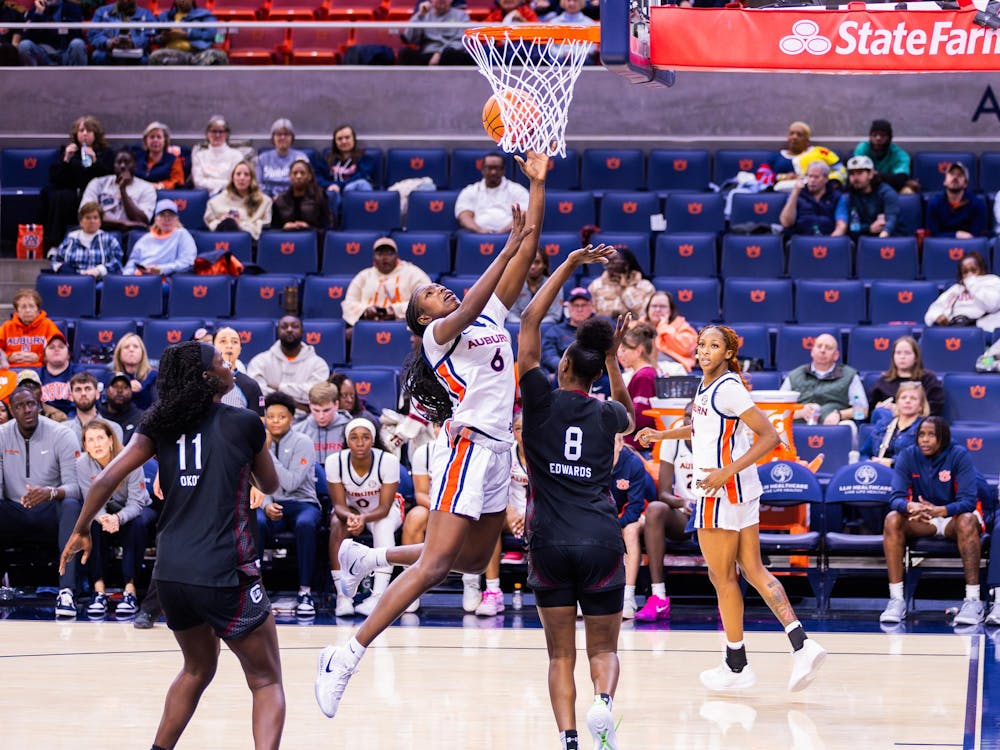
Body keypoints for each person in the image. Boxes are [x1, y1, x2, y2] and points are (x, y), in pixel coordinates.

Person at [314, 150, 546, 719]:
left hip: (497, 454)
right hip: (466, 449)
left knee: (470, 562)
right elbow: (470, 301)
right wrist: (506, 245)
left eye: (440, 287)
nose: (440, 290)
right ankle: (345, 653)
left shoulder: (489, 314)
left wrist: (538, 183)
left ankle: (371, 559)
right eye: (429, 294)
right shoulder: (441, 335)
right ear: (421, 319)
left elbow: (531, 243)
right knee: (436, 566)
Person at [59, 341, 284, 750]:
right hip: (224, 570)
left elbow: (102, 480)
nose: (228, 363)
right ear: (207, 378)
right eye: (220, 361)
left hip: (170, 577)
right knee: (266, 680)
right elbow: (270, 485)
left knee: (197, 669)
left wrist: (79, 529)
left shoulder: (157, 423)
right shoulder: (245, 422)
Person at [638, 325, 827, 692]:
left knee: (722, 577)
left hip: (720, 490)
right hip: (739, 491)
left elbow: (770, 436)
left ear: (728, 352)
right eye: (702, 344)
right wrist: (663, 436)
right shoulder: (709, 385)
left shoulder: (728, 386)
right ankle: (801, 645)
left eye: (714, 346)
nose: (705, 350)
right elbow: (702, 430)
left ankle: (737, 664)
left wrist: (725, 472)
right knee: (753, 570)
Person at [517, 241, 634, 750]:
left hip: (549, 541)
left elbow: (528, 326)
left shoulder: (540, 400)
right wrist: (613, 361)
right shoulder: (606, 414)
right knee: (603, 650)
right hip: (601, 538)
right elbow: (628, 412)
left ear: (563, 365)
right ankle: (603, 705)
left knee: (559, 656)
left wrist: (566, 264)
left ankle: (568, 740)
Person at [878, 417, 990, 627]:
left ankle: (973, 601)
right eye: (921, 435)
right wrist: (911, 507)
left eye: (931, 435)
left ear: (943, 437)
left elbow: (968, 501)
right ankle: (896, 600)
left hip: (952, 517)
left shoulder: (959, 455)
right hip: (924, 518)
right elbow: (895, 498)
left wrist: (942, 510)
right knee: (892, 519)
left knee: (967, 521)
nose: (925, 440)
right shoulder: (907, 455)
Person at [0, 387, 81, 617]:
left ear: (39, 405)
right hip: (15, 510)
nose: (27, 410)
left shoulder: (62, 434)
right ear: (12, 411)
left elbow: (76, 488)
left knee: (72, 506)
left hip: (50, 510)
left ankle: (66, 591)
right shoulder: (2, 435)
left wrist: (51, 493)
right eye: (20, 406)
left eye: (31, 404)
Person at [252, 391, 323, 617]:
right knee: (257, 520)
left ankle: (305, 591)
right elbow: (254, 482)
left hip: (302, 503)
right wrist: (266, 504)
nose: (274, 421)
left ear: (291, 419)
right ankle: (255, 590)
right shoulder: (256, 442)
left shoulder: (304, 442)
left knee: (305, 524)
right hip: (271, 503)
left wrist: (265, 452)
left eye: (280, 417)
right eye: (270, 417)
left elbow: (291, 482)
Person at [325, 417, 404, 617]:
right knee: (336, 522)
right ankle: (343, 597)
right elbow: (339, 505)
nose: (360, 443)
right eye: (354, 438)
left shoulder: (388, 460)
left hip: (384, 511)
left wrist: (362, 519)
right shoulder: (335, 461)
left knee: (383, 526)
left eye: (365, 437)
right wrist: (352, 518)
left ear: (373, 439)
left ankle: (378, 596)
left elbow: (385, 507)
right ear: (347, 440)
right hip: (351, 511)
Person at [77, 420, 153, 617]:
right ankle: (99, 590)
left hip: (135, 508)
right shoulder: (82, 464)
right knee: (90, 524)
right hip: (103, 512)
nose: (97, 444)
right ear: (85, 446)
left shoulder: (129, 459)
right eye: (90, 440)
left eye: (101, 438)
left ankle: (130, 590)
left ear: (111, 440)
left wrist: (118, 518)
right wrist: (104, 518)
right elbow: (90, 502)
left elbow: (137, 503)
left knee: (137, 523)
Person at [636, 400, 697, 623]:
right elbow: (663, 494)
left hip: (713, 513)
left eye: (695, 415)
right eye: (687, 416)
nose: (690, 421)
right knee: (655, 509)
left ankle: (726, 598)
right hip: (685, 515)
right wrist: (683, 504)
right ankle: (658, 596)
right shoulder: (674, 441)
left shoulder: (717, 440)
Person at [468, 409, 530, 617]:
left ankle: (561, 592)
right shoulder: (504, 452)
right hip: (508, 513)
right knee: (489, 523)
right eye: (518, 429)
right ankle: (493, 591)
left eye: (526, 429)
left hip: (538, 512)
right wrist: (509, 510)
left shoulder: (544, 452)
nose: (522, 434)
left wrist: (530, 513)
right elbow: (492, 489)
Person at [43, 115, 114, 248]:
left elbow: (108, 179)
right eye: (81, 131)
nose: (85, 134)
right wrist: (66, 159)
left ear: (96, 134)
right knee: (58, 197)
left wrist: (95, 162)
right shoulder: (68, 151)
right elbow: (55, 178)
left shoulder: (106, 153)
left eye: (89, 131)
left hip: (95, 195)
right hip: (72, 193)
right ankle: (54, 245)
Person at [341, 236, 432, 327]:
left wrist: (394, 310)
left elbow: (425, 301)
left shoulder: (413, 273)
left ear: (396, 255)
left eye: (389, 253)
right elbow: (348, 304)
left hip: (404, 325)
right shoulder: (364, 276)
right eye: (380, 254)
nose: (384, 258)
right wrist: (365, 311)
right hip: (369, 324)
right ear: (374, 257)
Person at [247, 315, 330, 415]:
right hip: (269, 419)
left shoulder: (319, 364)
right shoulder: (260, 361)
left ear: (302, 331)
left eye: (294, 326)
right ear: (277, 331)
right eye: (284, 326)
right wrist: (296, 404)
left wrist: (278, 387)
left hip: (306, 420)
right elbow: (258, 393)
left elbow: (315, 394)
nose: (289, 330)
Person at [780, 333, 868, 426]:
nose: (822, 350)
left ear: (836, 355)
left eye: (828, 348)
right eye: (819, 346)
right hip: (799, 425)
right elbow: (778, 408)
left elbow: (863, 412)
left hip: (834, 426)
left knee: (849, 425)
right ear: (812, 351)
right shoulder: (794, 375)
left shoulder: (850, 376)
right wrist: (798, 412)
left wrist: (840, 415)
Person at [611, 435, 654, 620]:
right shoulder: (593, 460)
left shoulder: (633, 463)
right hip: (612, 515)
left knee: (629, 530)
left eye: (611, 440)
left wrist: (613, 525)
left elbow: (636, 508)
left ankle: (628, 597)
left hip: (643, 512)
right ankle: (588, 594)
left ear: (621, 443)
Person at [540, 287, 610, 397]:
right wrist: (568, 367)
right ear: (567, 307)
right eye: (575, 305)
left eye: (584, 305)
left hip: (597, 375)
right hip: (567, 375)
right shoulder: (555, 331)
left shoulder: (601, 327)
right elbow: (549, 356)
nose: (579, 309)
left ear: (592, 306)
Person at [79, 149, 157, 233]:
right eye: (119, 162)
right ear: (114, 166)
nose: (123, 166)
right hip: (100, 230)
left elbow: (142, 221)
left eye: (127, 162)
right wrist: (122, 224)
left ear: (135, 166)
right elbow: (85, 214)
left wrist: (122, 190)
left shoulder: (146, 188)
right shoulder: (98, 183)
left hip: (131, 233)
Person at [867, 335, 945, 417]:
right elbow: (870, 409)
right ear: (893, 357)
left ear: (916, 357)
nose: (902, 357)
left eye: (907, 353)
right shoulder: (883, 381)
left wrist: (899, 409)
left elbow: (935, 406)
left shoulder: (928, 379)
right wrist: (879, 408)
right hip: (888, 423)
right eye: (898, 353)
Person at [924, 250, 1000, 333]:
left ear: (982, 270)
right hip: (955, 327)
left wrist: (972, 284)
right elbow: (933, 310)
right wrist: (937, 317)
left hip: (982, 330)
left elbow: (992, 306)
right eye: (965, 272)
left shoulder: (992, 281)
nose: (970, 275)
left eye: (973, 270)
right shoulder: (956, 288)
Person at [455, 152, 530, 233]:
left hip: (510, 234)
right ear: (482, 169)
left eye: (497, 168)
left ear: (503, 170)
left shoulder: (518, 190)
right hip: (478, 235)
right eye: (489, 168)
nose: (493, 172)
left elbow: (524, 215)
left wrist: (505, 231)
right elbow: (464, 217)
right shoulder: (470, 191)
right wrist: (479, 230)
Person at [831, 155, 902, 240]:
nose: (855, 178)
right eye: (852, 174)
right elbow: (849, 226)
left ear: (871, 174)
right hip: (861, 239)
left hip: (888, 240)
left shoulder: (886, 192)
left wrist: (881, 238)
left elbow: (892, 219)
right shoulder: (848, 195)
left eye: (860, 173)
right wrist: (869, 228)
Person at [859, 381, 928, 466]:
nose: (907, 401)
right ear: (897, 403)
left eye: (913, 398)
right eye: (903, 398)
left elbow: (922, 458)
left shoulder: (925, 428)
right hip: (878, 473)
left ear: (921, 406)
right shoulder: (882, 425)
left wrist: (892, 463)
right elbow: (864, 453)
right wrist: (868, 463)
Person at [764, 120, 845, 192]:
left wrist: (827, 181)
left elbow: (840, 170)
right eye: (791, 133)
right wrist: (780, 177)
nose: (794, 137)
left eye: (799, 135)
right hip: (783, 191)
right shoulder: (776, 157)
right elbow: (760, 177)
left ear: (807, 140)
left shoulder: (820, 152)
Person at [49, 201, 125, 277]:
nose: (92, 221)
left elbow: (117, 263)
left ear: (100, 222)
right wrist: (59, 267)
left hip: (99, 280)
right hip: (73, 279)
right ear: (81, 221)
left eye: (95, 218)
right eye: (88, 218)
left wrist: (99, 270)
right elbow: (56, 260)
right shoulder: (71, 238)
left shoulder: (110, 240)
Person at [124, 199, 197, 276]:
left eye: (171, 215)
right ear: (155, 219)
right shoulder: (145, 239)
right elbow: (131, 263)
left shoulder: (182, 234)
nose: (166, 219)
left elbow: (187, 262)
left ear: (177, 219)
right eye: (162, 215)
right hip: (140, 277)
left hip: (165, 278)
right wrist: (129, 276)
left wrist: (160, 269)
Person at [616, 321, 658, 452]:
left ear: (638, 351)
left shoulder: (644, 376)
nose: (620, 355)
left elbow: (640, 417)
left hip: (641, 448)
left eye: (624, 350)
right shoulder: (644, 374)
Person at [204, 161, 272, 241]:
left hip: (250, 241)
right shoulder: (216, 201)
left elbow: (264, 225)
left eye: (246, 175)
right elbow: (210, 222)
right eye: (238, 174)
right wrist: (222, 220)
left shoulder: (264, 201)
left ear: (252, 179)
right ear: (232, 178)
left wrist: (240, 224)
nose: (242, 178)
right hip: (221, 238)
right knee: (228, 223)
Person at [0, 288, 64, 368]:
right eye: (23, 307)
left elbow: (61, 352)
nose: (27, 310)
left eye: (31, 306)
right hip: (11, 370)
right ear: (17, 311)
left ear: (37, 309)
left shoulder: (48, 325)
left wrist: (40, 357)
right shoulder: (7, 327)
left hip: (40, 370)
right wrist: (7, 357)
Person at [150, 0, 227, 66]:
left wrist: (187, 34)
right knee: (155, 56)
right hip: (174, 55)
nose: (183, 1)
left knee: (219, 56)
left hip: (198, 54)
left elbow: (211, 34)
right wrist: (162, 38)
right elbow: (153, 37)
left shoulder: (205, 15)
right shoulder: (165, 17)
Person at [852, 119, 918, 193]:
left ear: (890, 138)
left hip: (892, 189)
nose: (878, 138)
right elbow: (857, 175)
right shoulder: (862, 149)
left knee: (908, 191)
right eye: (874, 135)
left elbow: (900, 179)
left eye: (883, 135)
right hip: (866, 188)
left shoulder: (900, 155)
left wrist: (875, 175)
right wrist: (885, 177)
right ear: (870, 137)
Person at [587, 248, 656, 320]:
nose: (609, 265)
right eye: (607, 262)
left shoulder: (645, 286)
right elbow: (589, 313)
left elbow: (646, 314)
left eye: (613, 262)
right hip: (604, 327)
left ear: (626, 264)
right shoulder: (596, 285)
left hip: (635, 327)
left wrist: (624, 291)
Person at [294, 381, 351, 466]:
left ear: (336, 404)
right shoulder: (297, 431)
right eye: (316, 410)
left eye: (326, 410)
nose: (321, 416)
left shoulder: (351, 429)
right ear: (309, 405)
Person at [925, 162, 988, 239]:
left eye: (960, 175)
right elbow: (932, 234)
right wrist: (956, 235)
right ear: (944, 181)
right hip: (940, 245)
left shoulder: (977, 204)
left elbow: (977, 235)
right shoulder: (934, 203)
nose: (955, 177)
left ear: (965, 184)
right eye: (951, 174)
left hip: (969, 246)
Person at [778, 161, 841, 237]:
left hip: (828, 238)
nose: (812, 180)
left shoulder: (835, 196)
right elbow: (786, 223)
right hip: (801, 240)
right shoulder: (798, 195)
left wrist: (830, 241)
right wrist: (795, 193)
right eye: (809, 176)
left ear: (826, 179)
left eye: (816, 177)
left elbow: (841, 224)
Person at [399, 0, 471, 66]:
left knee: (452, 54)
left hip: (449, 53)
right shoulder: (423, 14)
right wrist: (419, 15)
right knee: (405, 53)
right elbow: (408, 38)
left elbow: (462, 40)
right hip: (427, 53)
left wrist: (439, 53)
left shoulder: (462, 16)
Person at [18, 0, 87, 66]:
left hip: (65, 52)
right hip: (43, 54)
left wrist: (54, 30)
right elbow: (26, 37)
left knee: (78, 43)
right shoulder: (35, 10)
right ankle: (32, 77)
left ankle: (77, 77)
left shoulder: (71, 8)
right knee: (24, 45)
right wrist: (38, 14)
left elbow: (77, 34)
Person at [641, 290, 696, 374]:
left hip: (674, 369)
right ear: (648, 309)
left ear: (670, 310)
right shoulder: (638, 326)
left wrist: (664, 328)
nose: (658, 309)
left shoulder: (682, 326)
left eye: (662, 306)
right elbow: (624, 351)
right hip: (642, 367)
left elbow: (686, 349)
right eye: (654, 306)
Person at [87, 0, 156, 64]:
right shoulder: (102, 12)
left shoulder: (146, 14)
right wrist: (108, 42)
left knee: (145, 59)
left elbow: (150, 37)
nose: (125, 0)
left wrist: (133, 43)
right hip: (109, 52)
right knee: (98, 55)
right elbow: (93, 33)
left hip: (136, 52)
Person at [214, 326, 264, 415]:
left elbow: (259, 421)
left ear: (240, 349)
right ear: (212, 346)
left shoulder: (251, 386)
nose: (229, 346)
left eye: (235, 342)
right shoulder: (203, 380)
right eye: (223, 341)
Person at [506, 248, 564, 326]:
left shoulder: (555, 284)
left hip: (544, 328)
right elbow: (511, 314)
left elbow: (554, 315)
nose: (532, 266)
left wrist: (533, 326)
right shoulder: (514, 285)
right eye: (529, 262)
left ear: (544, 265)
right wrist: (524, 326)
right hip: (518, 327)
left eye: (537, 262)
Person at [271, 159, 333, 231]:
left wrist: (309, 228)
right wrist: (284, 228)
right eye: (295, 173)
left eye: (302, 173)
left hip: (313, 239)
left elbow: (328, 226)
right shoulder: (280, 200)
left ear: (309, 176)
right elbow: (274, 230)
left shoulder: (319, 196)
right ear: (290, 176)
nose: (298, 176)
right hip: (286, 239)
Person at [65, 370, 124, 445]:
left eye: (88, 389)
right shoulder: (63, 430)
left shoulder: (113, 428)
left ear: (97, 394)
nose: (83, 393)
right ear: (71, 396)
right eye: (78, 389)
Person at [191, 115, 245, 195]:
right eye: (213, 131)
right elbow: (198, 182)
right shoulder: (199, 156)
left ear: (227, 134)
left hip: (229, 195)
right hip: (203, 196)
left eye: (221, 131)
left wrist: (210, 182)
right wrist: (221, 184)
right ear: (207, 134)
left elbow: (235, 182)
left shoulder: (237, 156)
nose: (217, 135)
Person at [316, 124, 378, 194]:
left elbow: (360, 177)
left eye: (347, 137)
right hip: (333, 193)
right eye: (339, 139)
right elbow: (317, 177)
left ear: (353, 139)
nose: (344, 141)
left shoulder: (365, 159)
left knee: (362, 183)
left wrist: (338, 186)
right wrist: (330, 185)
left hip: (353, 194)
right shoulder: (326, 159)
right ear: (335, 142)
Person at [256, 118, 309, 198]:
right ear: (273, 138)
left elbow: (306, 184)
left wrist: (285, 198)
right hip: (268, 200)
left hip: (294, 199)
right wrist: (270, 196)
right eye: (279, 134)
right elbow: (257, 184)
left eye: (286, 134)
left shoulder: (301, 158)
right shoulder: (262, 159)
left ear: (292, 138)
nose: (283, 137)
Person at [132, 121, 186, 190]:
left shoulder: (174, 160)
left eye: (159, 137)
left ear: (165, 140)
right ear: (146, 140)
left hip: (163, 195)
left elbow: (178, 181)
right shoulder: (137, 157)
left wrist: (161, 185)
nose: (155, 140)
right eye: (152, 137)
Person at [112, 333, 158, 410]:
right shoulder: (111, 377)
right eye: (126, 347)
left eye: (136, 347)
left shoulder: (153, 376)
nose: (131, 349)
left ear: (142, 353)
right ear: (119, 353)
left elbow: (157, 406)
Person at [98, 371, 146, 445]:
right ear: (106, 390)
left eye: (125, 387)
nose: (120, 390)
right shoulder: (98, 416)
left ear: (131, 391)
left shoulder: (141, 418)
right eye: (115, 386)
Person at [40, 332, 79, 418]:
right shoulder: (37, 375)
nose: (56, 349)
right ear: (44, 356)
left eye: (61, 347)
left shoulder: (79, 373)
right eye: (51, 347)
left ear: (68, 354)